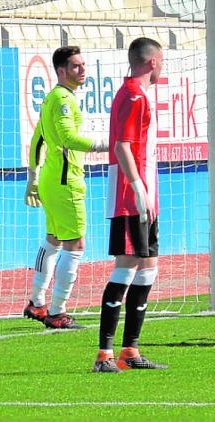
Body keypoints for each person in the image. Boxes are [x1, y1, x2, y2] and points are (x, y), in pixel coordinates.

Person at [93, 38, 167, 373]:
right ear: (153, 62)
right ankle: (104, 355)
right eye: (161, 60)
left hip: (145, 195)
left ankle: (130, 351)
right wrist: (137, 188)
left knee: (148, 267)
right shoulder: (133, 95)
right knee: (126, 266)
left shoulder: (139, 95)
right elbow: (121, 146)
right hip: (129, 195)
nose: (162, 66)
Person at [23, 46, 108, 329]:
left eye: (83, 65)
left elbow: (37, 140)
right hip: (65, 181)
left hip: (50, 179)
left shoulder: (52, 98)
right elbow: (68, 138)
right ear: (61, 71)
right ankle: (57, 313)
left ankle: (37, 304)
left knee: (53, 240)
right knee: (75, 244)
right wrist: (108, 144)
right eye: (75, 66)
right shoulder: (62, 99)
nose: (82, 70)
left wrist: (33, 178)